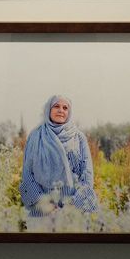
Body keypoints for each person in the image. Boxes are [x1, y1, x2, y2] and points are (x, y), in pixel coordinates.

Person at [19, 95, 97, 226]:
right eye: (56, 106)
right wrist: (45, 204)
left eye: (65, 108)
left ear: (69, 112)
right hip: (42, 212)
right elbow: (27, 174)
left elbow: (87, 174)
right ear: (48, 110)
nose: (61, 110)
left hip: (73, 211)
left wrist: (72, 206)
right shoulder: (35, 136)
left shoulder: (79, 138)